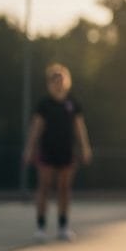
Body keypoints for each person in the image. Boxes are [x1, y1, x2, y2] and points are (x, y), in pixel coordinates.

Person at [22, 63, 93, 241]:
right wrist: (29, 148)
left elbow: (79, 128)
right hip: (47, 151)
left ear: (66, 81)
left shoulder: (73, 103)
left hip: (66, 151)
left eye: (61, 80)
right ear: (50, 83)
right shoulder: (44, 104)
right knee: (44, 188)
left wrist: (85, 147)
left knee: (64, 189)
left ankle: (63, 226)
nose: (58, 83)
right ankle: (40, 227)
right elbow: (36, 128)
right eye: (55, 80)